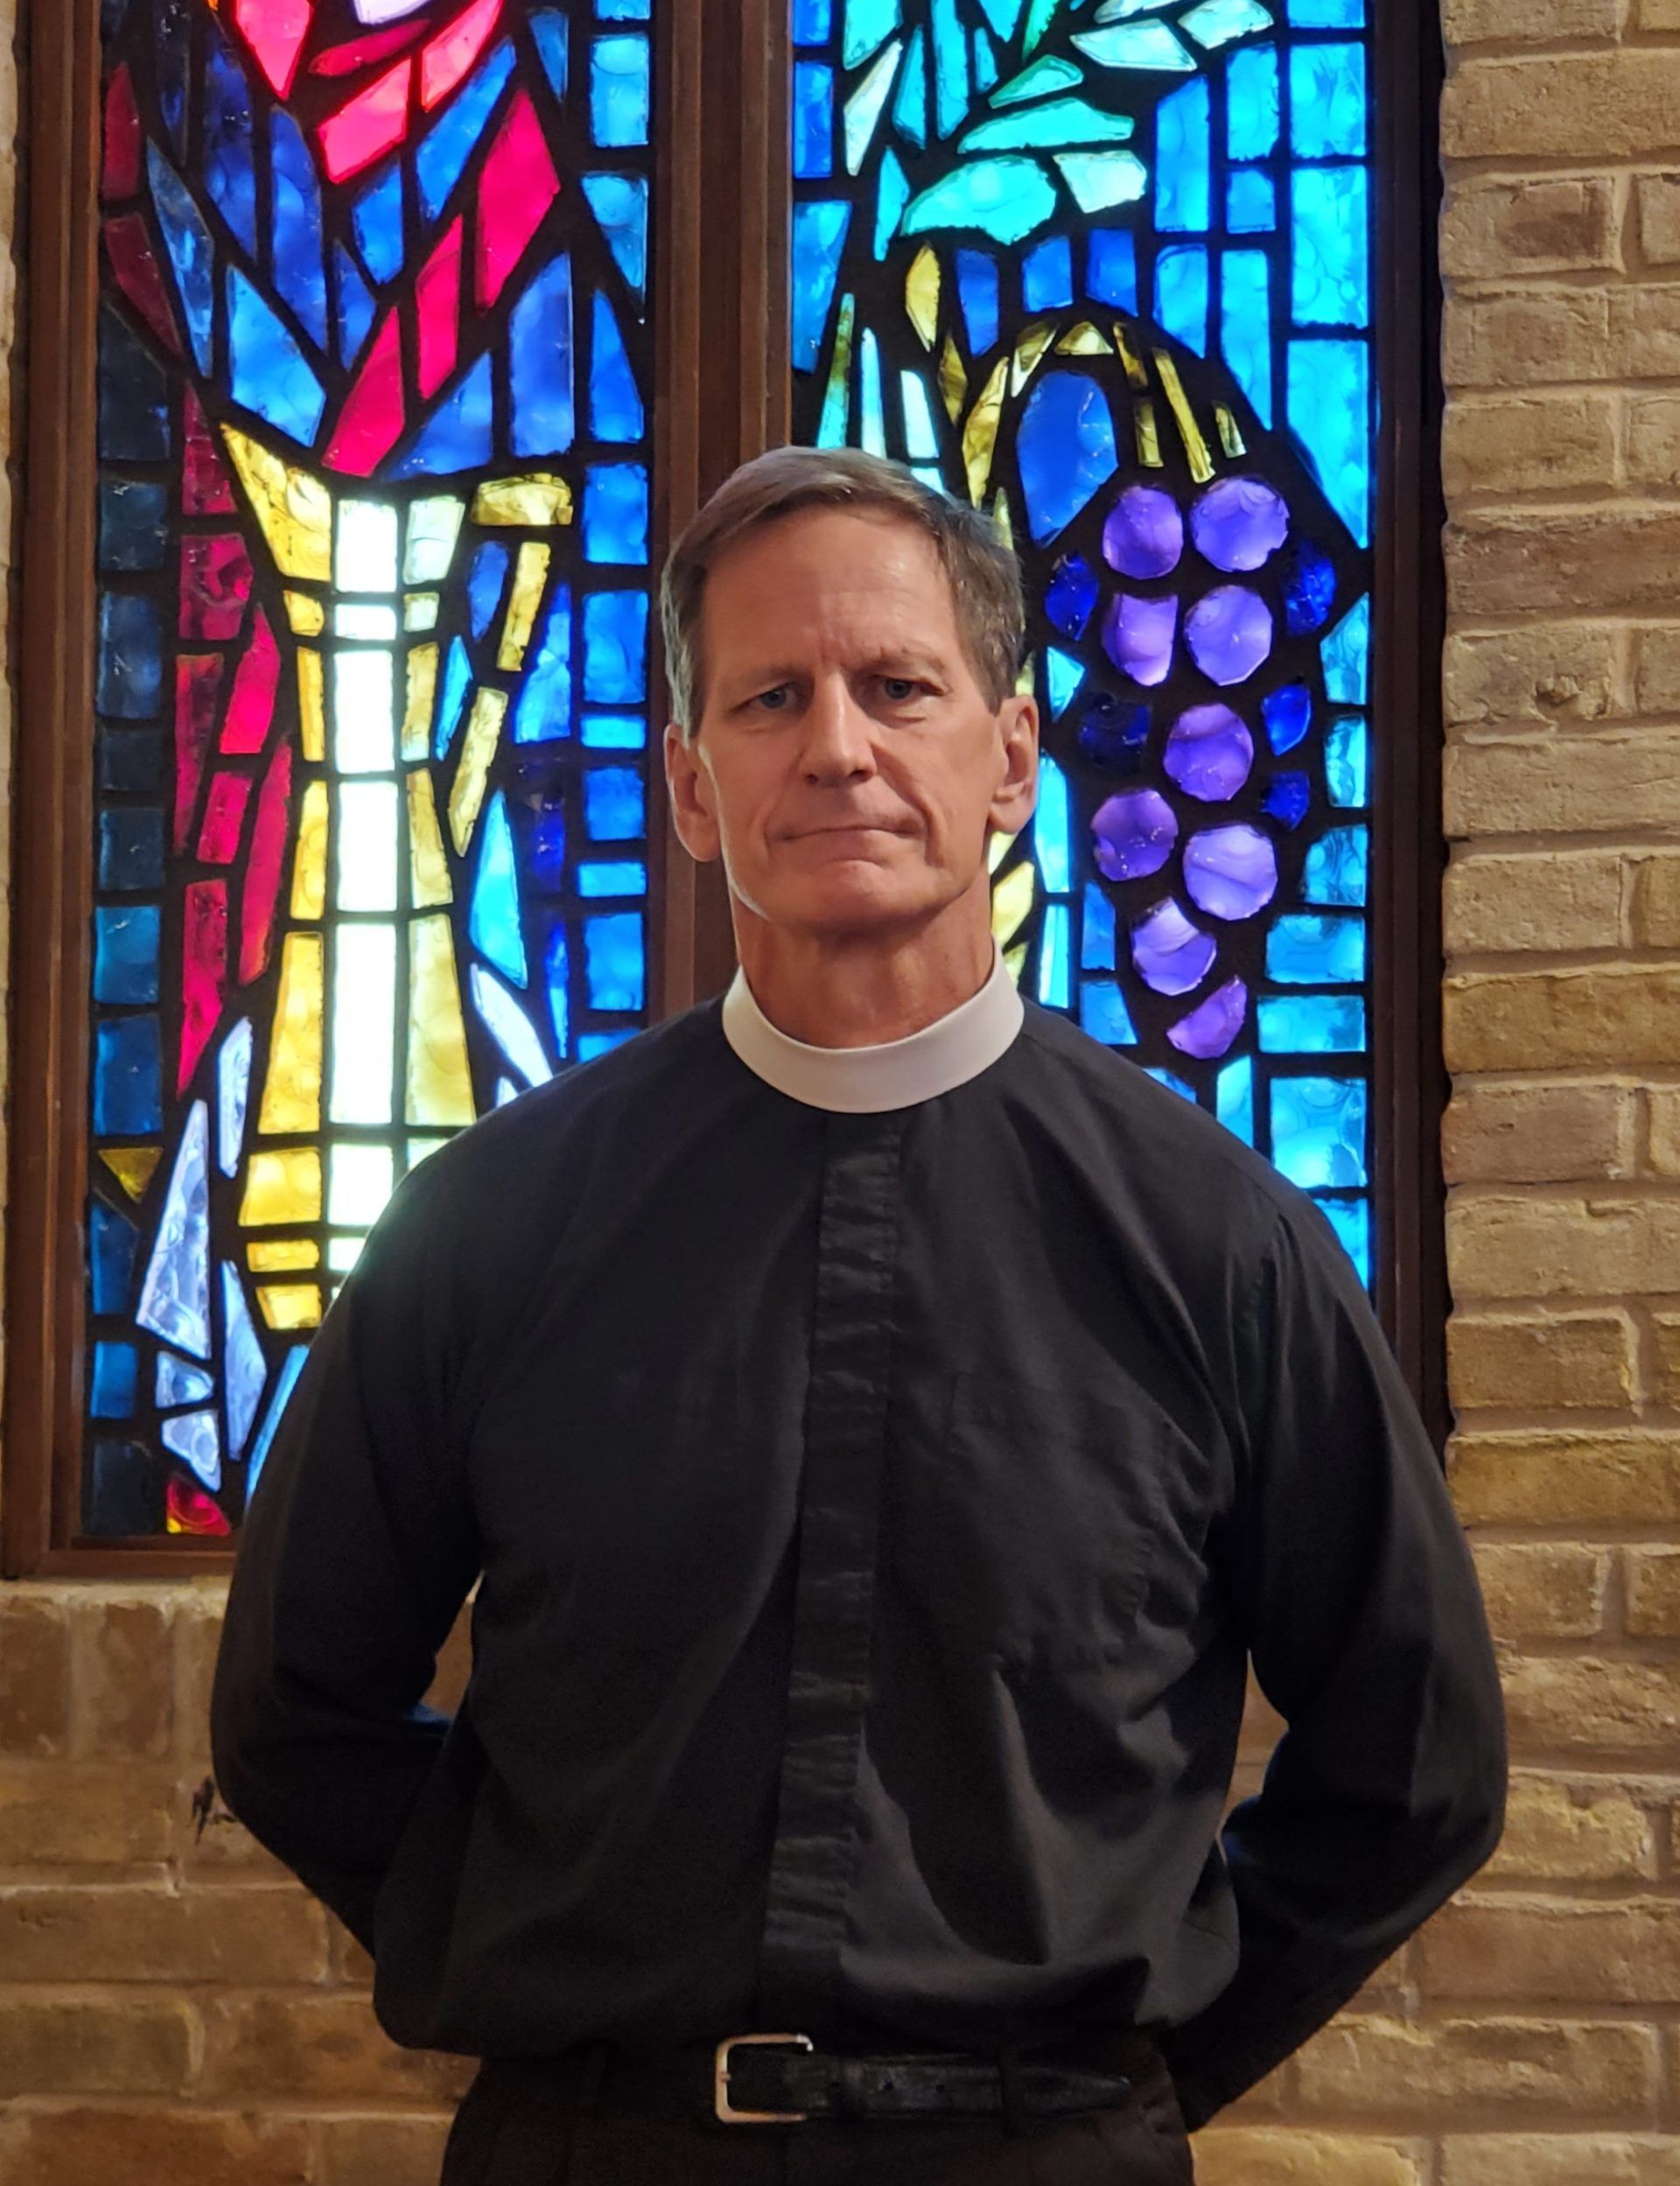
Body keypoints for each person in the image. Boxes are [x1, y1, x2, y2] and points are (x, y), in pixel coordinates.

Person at [210, 446, 1508, 2184]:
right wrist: (541, 1935)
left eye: (900, 686)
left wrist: (1131, 2069)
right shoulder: (490, 1226)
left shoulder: (1220, 1242)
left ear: (1013, 758)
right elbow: (296, 1706)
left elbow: (1415, 1759)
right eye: (769, 698)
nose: (838, 746)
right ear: (690, 785)